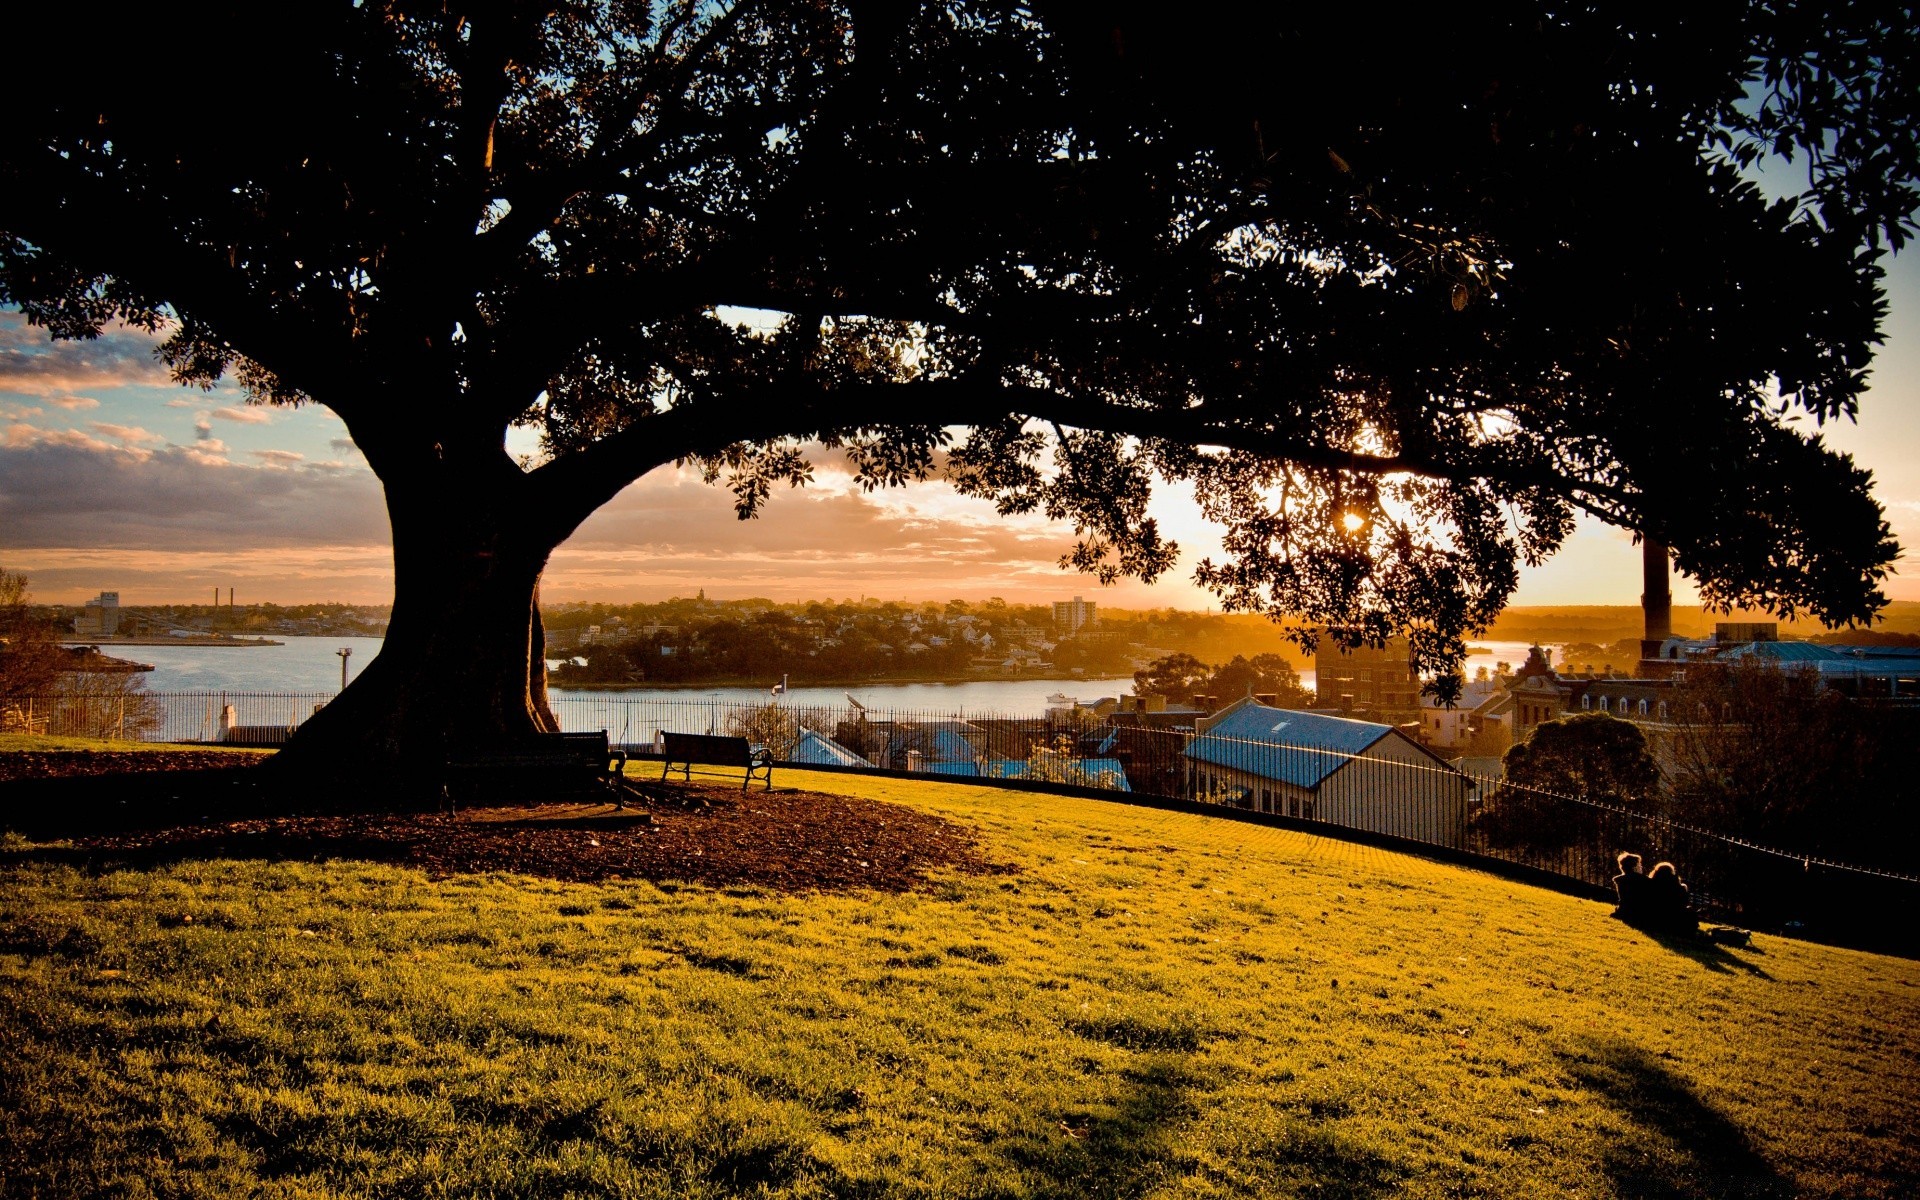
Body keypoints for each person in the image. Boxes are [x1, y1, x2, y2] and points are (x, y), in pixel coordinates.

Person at [1643, 861, 1696, 933]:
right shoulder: (1680, 888)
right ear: (1672, 872)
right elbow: (1684, 903)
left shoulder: (1650, 885)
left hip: (1656, 919)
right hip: (1675, 919)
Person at [1611, 852, 1648, 924]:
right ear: (1634, 867)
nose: (1641, 867)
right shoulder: (1643, 880)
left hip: (1624, 911)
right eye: (1639, 864)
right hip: (1640, 914)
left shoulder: (1620, 880)